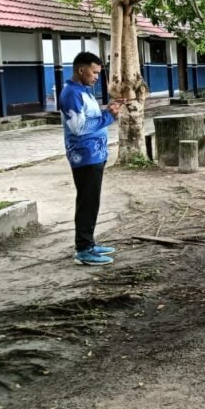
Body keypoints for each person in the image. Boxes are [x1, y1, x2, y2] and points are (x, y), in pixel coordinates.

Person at [59, 52, 120, 267]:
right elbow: (79, 127)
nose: (96, 77)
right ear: (81, 70)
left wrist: (107, 111)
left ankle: (89, 243)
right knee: (87, 202)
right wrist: (109, 117)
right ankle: (83, 250)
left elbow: (90, 118)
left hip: (95, 154)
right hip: (84, 155)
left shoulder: (83, 91)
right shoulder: (71, 94)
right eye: (94, 73)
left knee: (91, 201)